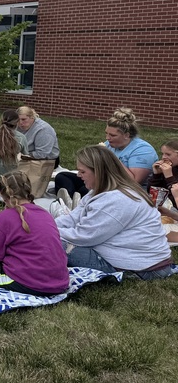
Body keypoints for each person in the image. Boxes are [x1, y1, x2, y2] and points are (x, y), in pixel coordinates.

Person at [56, 145, 172, 279]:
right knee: (45, 239)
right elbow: (72, 218)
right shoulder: (99, 192)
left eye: (83, 171)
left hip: (143, 268)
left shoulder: (117, 200)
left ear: (99, 172)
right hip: (135, 261)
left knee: (48, 243)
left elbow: (85, 237)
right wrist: (46, 227)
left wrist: (48, 233)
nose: (78, 175)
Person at [54, 108, 158, 202]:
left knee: (85, 190)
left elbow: (133, 182)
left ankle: (76, 202)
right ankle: (70, 201)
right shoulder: (109, 144)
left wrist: (111, 156)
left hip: (125, 190)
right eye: (106, 133)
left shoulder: (143, 150)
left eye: (112, 135)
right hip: (106, 181)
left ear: (126, 135)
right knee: (62, 177)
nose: (107, 138)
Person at [16, 105, 60, 198]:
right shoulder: (18, 126)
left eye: (24, 119)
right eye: (18, 120)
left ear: (32, 117)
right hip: (25, 155)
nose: (20, 123)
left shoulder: (43, 129)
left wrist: (22, 155)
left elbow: (42, 153)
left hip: (45, 159)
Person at [148, 139, 178, 224]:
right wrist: (156, 175)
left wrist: (169, 177)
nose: (164, 157)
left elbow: (175, 198)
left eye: (168, 154)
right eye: (163, 154)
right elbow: (153, 195)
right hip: (167, 208)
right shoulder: (169, 168)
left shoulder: (169, 171)